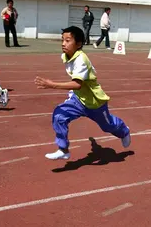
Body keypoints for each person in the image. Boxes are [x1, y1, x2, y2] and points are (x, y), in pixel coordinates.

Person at [34, 26, 131, 160]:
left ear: (79, 44)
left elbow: (77, 84)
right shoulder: (67, 55)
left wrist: (51, 85)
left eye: (68, 40)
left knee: (108, 126)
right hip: (78, 100)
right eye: (62, 40)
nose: (63, 43)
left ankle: (124, 131)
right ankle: (63, 149)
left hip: (95, 102)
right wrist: (93, 142)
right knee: (59, 115)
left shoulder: (81, 60)